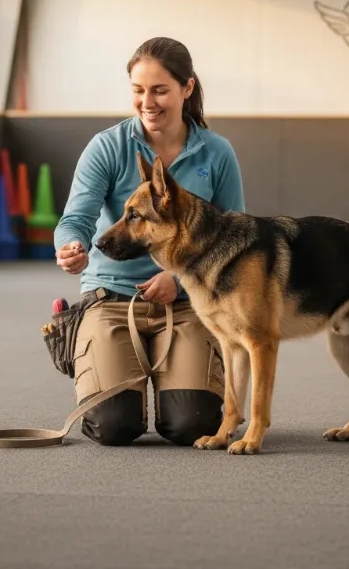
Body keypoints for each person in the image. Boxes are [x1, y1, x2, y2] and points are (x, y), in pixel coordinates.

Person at [54, 37, 246, 447]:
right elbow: (75, 219)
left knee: (193, 426)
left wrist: (177, 280)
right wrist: (71, 246)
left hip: (189, 301)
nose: (148, 102)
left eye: (160, 90)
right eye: (138, 90)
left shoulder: (217, 153)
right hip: (110, 299)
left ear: (187, 89)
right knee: (113, 427)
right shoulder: (107, 146)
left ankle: (175, 374)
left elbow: (234, 241)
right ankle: (99, 352)